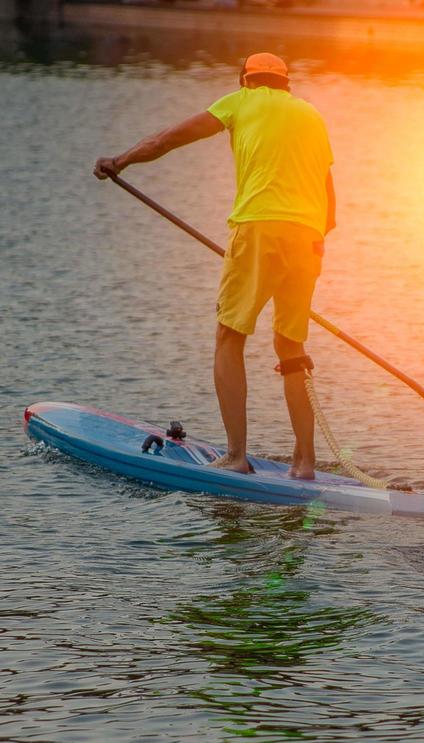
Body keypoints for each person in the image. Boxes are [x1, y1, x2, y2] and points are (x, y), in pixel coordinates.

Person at [94, 52, 335, 480]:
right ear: (287, 85)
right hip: (308, 237)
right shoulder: (312, 116)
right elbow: (330, 207)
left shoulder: (240, 101)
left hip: (257, 226)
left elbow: (166, 139)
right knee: (291, 349)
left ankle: (236, 456)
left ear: (246, 80)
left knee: (229, 334)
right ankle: (305, 464)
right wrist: (300, 247)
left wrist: (121, 161)